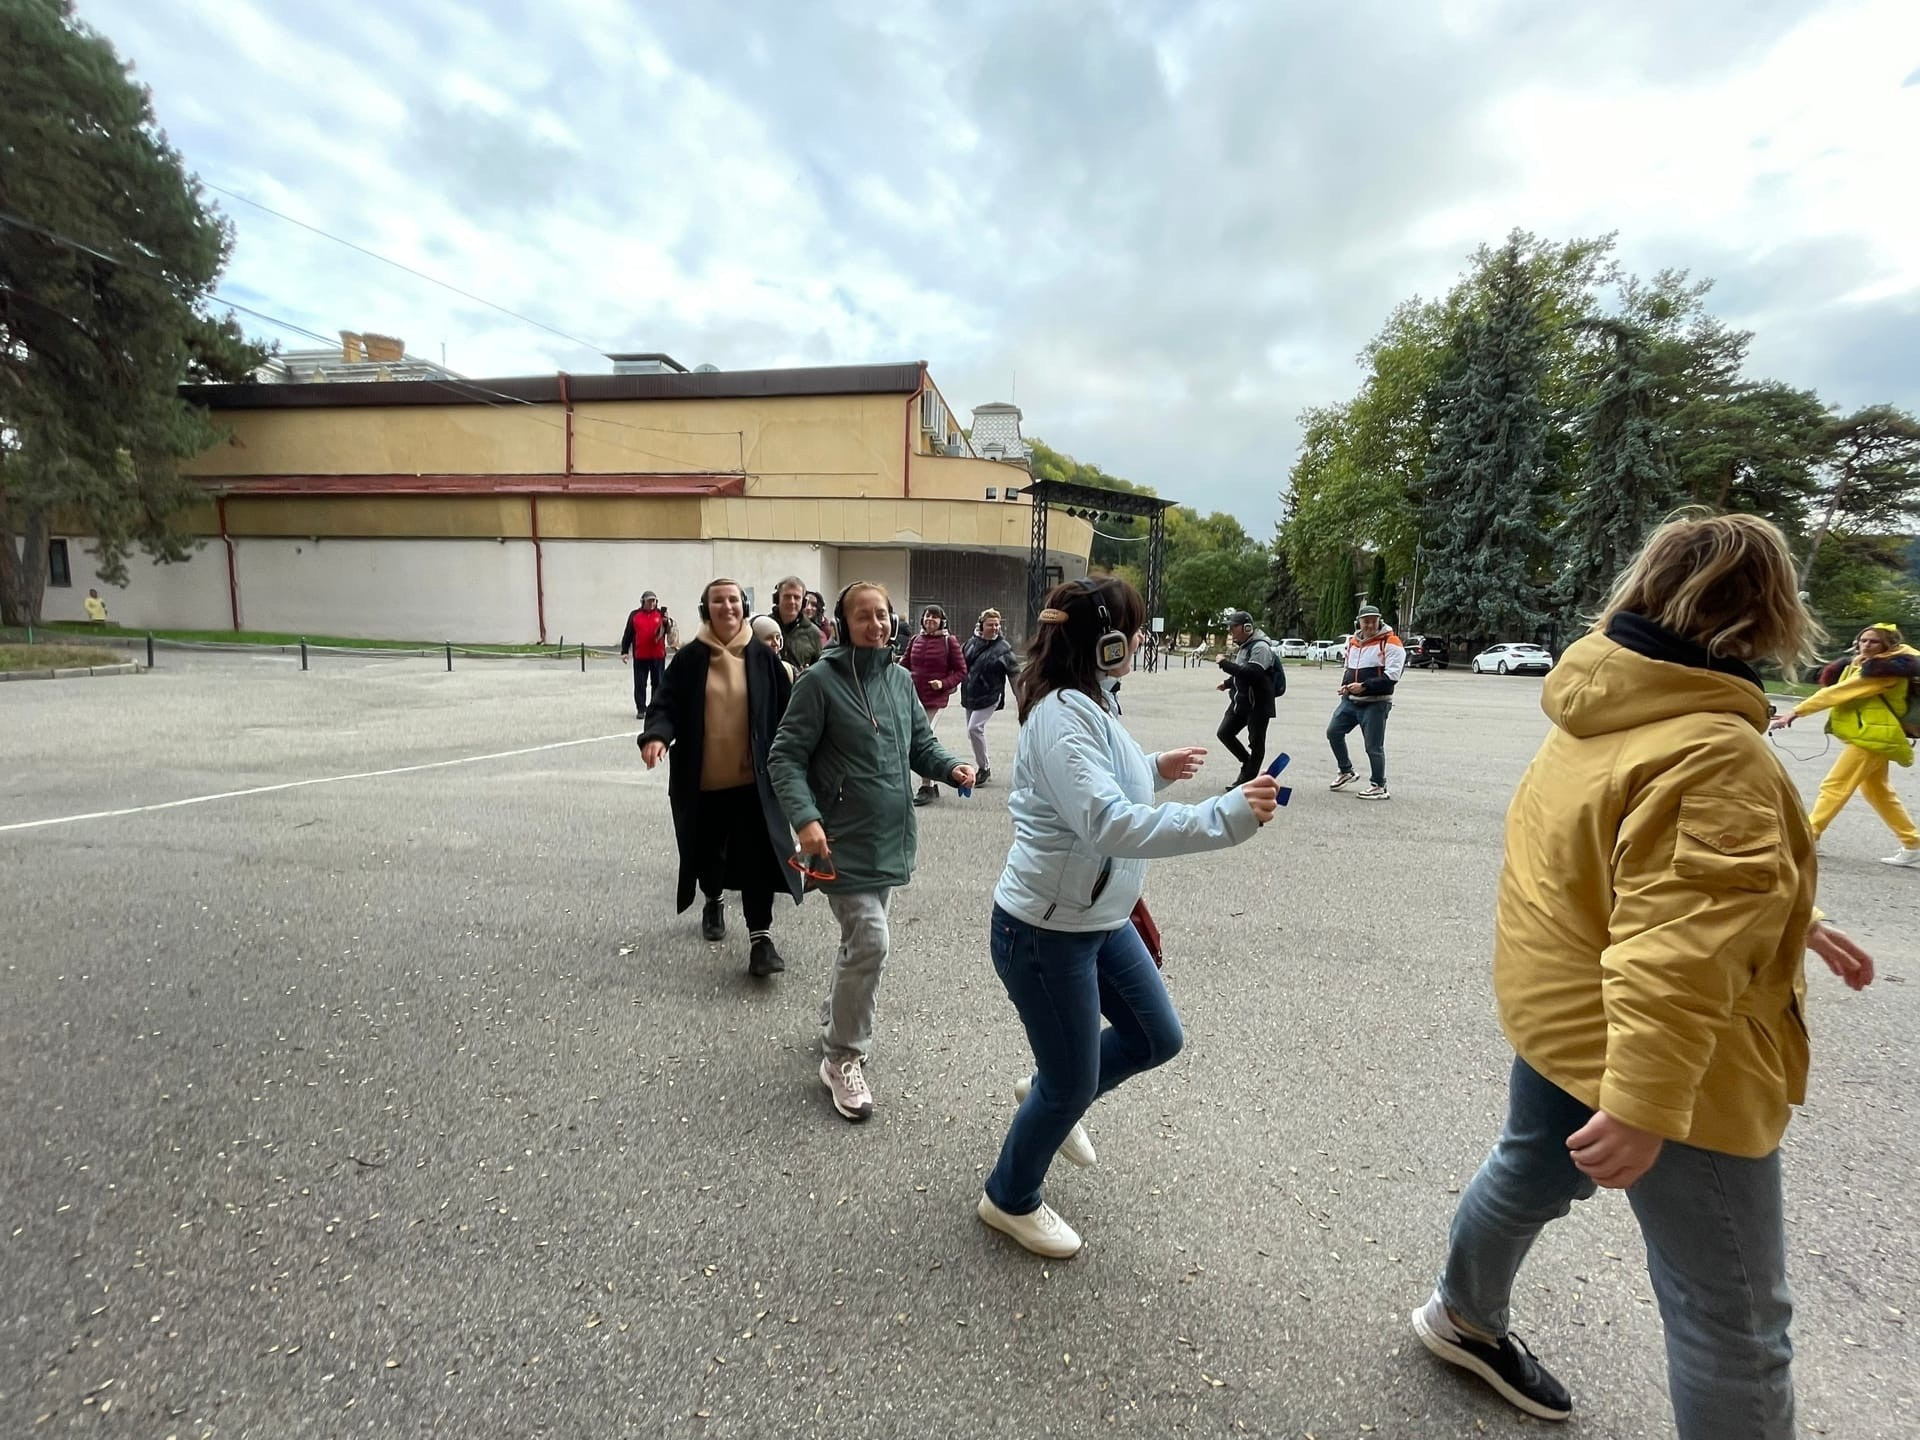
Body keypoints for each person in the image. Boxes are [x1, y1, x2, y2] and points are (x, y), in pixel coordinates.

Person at [1410, 512, 1876, 1437]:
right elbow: (1677, 945)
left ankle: (1461, 1315)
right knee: (1734, 1321)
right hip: (1666, 1061)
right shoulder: (1713, 747)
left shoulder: (1604, 700)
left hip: (1562, 1012)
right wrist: (1645, 1102)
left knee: (1530, 1169)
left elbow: (1630, 867)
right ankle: (1461, 1317)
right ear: (1766, 613)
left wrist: (1796, 914)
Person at [976, 577, 1281, 1259]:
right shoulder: (1063, 715)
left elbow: (1099, 781)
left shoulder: (1094, 697)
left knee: (1154, 1037)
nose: (1140, 640)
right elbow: (1108, 821)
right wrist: (1224, 815)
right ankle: (1009, 1196)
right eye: (1134, 631)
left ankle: (1051, 1091)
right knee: (1072, 1083)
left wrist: (1153, 767)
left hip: (1098, 918)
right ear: (1107, 643)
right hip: (1046, 932)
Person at [768, 582, 972, 1122]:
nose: (876, 624)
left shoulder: (900, 680)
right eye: (864, 616)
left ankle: (838, 1014)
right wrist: (805, 819)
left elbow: (920, 745)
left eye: (882, 615)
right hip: (838, 841)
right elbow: (784, 756)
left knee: (859, 943)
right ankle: (842, 1056)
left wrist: (950, 766)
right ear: (842, 623)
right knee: (872, 942)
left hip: (889, 837)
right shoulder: (819, 682)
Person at [638, 578, 803, 978]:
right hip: (704, 782)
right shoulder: (691, 659)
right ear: (705, 609)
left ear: (743, 606)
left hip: (753, 783)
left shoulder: (763, 658)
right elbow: (665, 704)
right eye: (718, 601)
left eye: (733, 600)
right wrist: (657, 736)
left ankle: (761, 940)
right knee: (710, 852)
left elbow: (788, 715)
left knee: (759, 858)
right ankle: (713, 899)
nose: (727, 606)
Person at [1771, 622, 1920, 866]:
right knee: (1877, 791)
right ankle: (1913, 842)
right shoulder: (1861, 664)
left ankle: (1810, 835)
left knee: (1835, 785)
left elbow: (1838, 692)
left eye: (1874, 641)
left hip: (1874, 736)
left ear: (1887, 646)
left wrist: (1795, 712)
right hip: (1872, 733)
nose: (1866, 645)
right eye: (1863, 640)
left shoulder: (1882, 672)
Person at [1327, 604, 1404, 800]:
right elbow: (1349, 668)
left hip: (1376, 702)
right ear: (1358, 623)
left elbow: (1392, 676)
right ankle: (1346, 771)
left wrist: (1364, 686)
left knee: (1373, 746)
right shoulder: (1353, 641)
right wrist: (1346, 686)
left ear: (1379, 621)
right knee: (1333, 732)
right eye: (1365, 621)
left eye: (1373, 621)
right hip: (1351, 700)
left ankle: (1379, 785)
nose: (1369, 625)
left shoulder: (1391, 641)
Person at [902, 604, 968, 806]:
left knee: (923, 738)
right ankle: (927, 784)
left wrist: (943, 683)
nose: (930, 619)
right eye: (927, 616)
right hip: (914, 697)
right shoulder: (915, 639)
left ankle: (927, 786)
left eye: (935, 617)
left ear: (942, 621)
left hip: (935, 700)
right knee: (910, 737)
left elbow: (961, 671)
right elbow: (904, 664)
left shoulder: (949, 641)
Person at [1214, 609, 1284, 786]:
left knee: (1256, 743)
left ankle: (1248, 780)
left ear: (1246, 627)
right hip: (1241, 702)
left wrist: (1224, 664)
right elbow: (1241, 673)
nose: (1230, 631)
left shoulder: (1260, 647)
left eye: (1233, 627)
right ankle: (1247, 763)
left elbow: (1252, 674)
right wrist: (1228, 683)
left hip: (1258, 704)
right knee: (1224, 733)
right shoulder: (1245, 646)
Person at [961, 608, 1020, 785]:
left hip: (990, 695)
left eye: (997, 625)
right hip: (971, 694)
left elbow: (1014, 674)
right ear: (981, 625)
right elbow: (960, 666)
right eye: (990, 625)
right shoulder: (970, 643)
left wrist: (1022, 699)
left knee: (974, 728)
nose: (994, 628)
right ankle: (984, 764)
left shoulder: (1003, 648)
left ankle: (983, 768)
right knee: (972, 732)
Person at [619, 590, 671, 719]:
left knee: (658, 683)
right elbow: (628, 633)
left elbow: (669, 632)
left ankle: (655, 708)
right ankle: (641, 709)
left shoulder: (660, 615)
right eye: (649, 601)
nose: (652, 603)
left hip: (658, 655)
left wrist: (666, 621)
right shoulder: (635, 615)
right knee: (640, 684)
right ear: (643, 602)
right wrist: (624, 651)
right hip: (640, 655)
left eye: (654, 601)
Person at [767, 576, 824, 670]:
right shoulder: (764, 627)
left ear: (804, 602)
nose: (792, 601)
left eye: (797, 597)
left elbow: (820, 669)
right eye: (787, 596)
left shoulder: (814, 633)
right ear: (777, 599)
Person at [750, 613, 797, 682]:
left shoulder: (788, 670)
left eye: (777, 638)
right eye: (769, 638)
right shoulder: (745, 671)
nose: (776, 643)